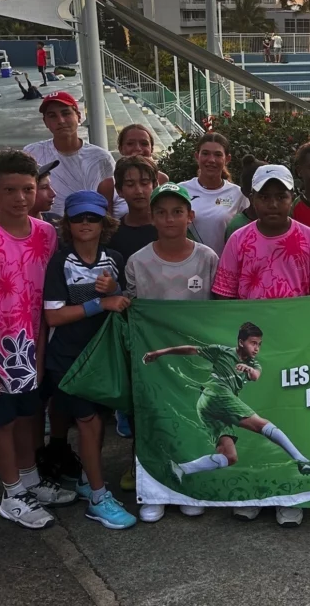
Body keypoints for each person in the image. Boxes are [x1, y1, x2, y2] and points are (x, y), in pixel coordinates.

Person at [212, 164, 310, 527]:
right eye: (265, 196)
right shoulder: (239, 239)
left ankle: (290, 492)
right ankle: (252, 489)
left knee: (293, 415)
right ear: (253, 199)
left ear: (291, 197)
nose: (273, 203)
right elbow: (224, 296)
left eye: (281, 195)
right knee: (252, 416)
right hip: (251, 352)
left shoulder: (309, 238)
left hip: (295, 345)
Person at [0, 151, 76, 530]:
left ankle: (30, 479)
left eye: (27, 189)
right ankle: (12, 492)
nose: (19, 197)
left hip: (36, 347)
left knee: (29, 415)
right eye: (10, 189)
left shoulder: (46, 233)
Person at [125, 183, 220, 523]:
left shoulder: (207, 257)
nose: (170, 218)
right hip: (153, 361)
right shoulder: (139, 261)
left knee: (194, 422)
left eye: (178, 212)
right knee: (154, 422)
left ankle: (190, 488)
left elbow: (217, 309)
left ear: (189, 216)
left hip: (195, 361)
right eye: (162, 212)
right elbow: (133, 310)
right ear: (152, 217)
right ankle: (154, 492)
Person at [42, 191, 135, 530]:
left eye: (92, 218)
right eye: (79, 218)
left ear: (104, 222)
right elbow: (53, 316)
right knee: (89, 423)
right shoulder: (59, 261)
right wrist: (100, 303)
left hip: (104, 357)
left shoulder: (115, 258)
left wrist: (114, 291)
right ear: (68, 223)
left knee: (94, 423)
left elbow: (126, 301)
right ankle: (98, 497)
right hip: (69, 358)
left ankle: (86, 479)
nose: (86, 224)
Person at [142, 325, 310, 485]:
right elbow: (192, 349)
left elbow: (255, 375)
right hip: (216, 393)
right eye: (253, 343)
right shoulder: (222, 351)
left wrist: (248, 369)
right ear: (240, 342)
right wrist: (159, 352)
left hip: (207, 408)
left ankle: (181, 469)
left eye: (259, 344)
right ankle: (301, 460)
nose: (256, 348)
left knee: (230, 457)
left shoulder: (254, 364)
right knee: (262, 424)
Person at [106, 155, 159, 447]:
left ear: (154, 184)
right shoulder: (112, 233)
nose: (138, 190)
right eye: (130, 184)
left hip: (166, 326)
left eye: (144, 183)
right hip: (130, 328)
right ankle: (137, 461)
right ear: (119, 190)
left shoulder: (168, 225)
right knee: (137, 397)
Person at [24, 91, 115, 219]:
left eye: (66, 113)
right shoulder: (32, 153)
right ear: (45, 122)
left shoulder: (101, 158)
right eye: (52, 116)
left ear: (78, 116)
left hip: (87, 228)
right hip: (45, 228)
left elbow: (108, 206)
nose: (60, 121)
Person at [179, 133, 249, 256]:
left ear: (227, 159)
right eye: (205, 153)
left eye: (218, 155)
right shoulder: (181, 190)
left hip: (227, 268)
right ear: (197, 156)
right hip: (189, 268)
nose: (211, 160)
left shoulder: (239, 194)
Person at [98, 125, 169, 218]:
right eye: (130, 144)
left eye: (144, 143)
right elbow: (107, 225)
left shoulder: (162, 179)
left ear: (151, 149)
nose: (138, 148)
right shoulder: (108, 186)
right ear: (120, 148)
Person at [224, 156, 267, 245]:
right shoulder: (238, 226)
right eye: (263, 196)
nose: (273, 203)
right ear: (246, 193)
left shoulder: (280, 221)